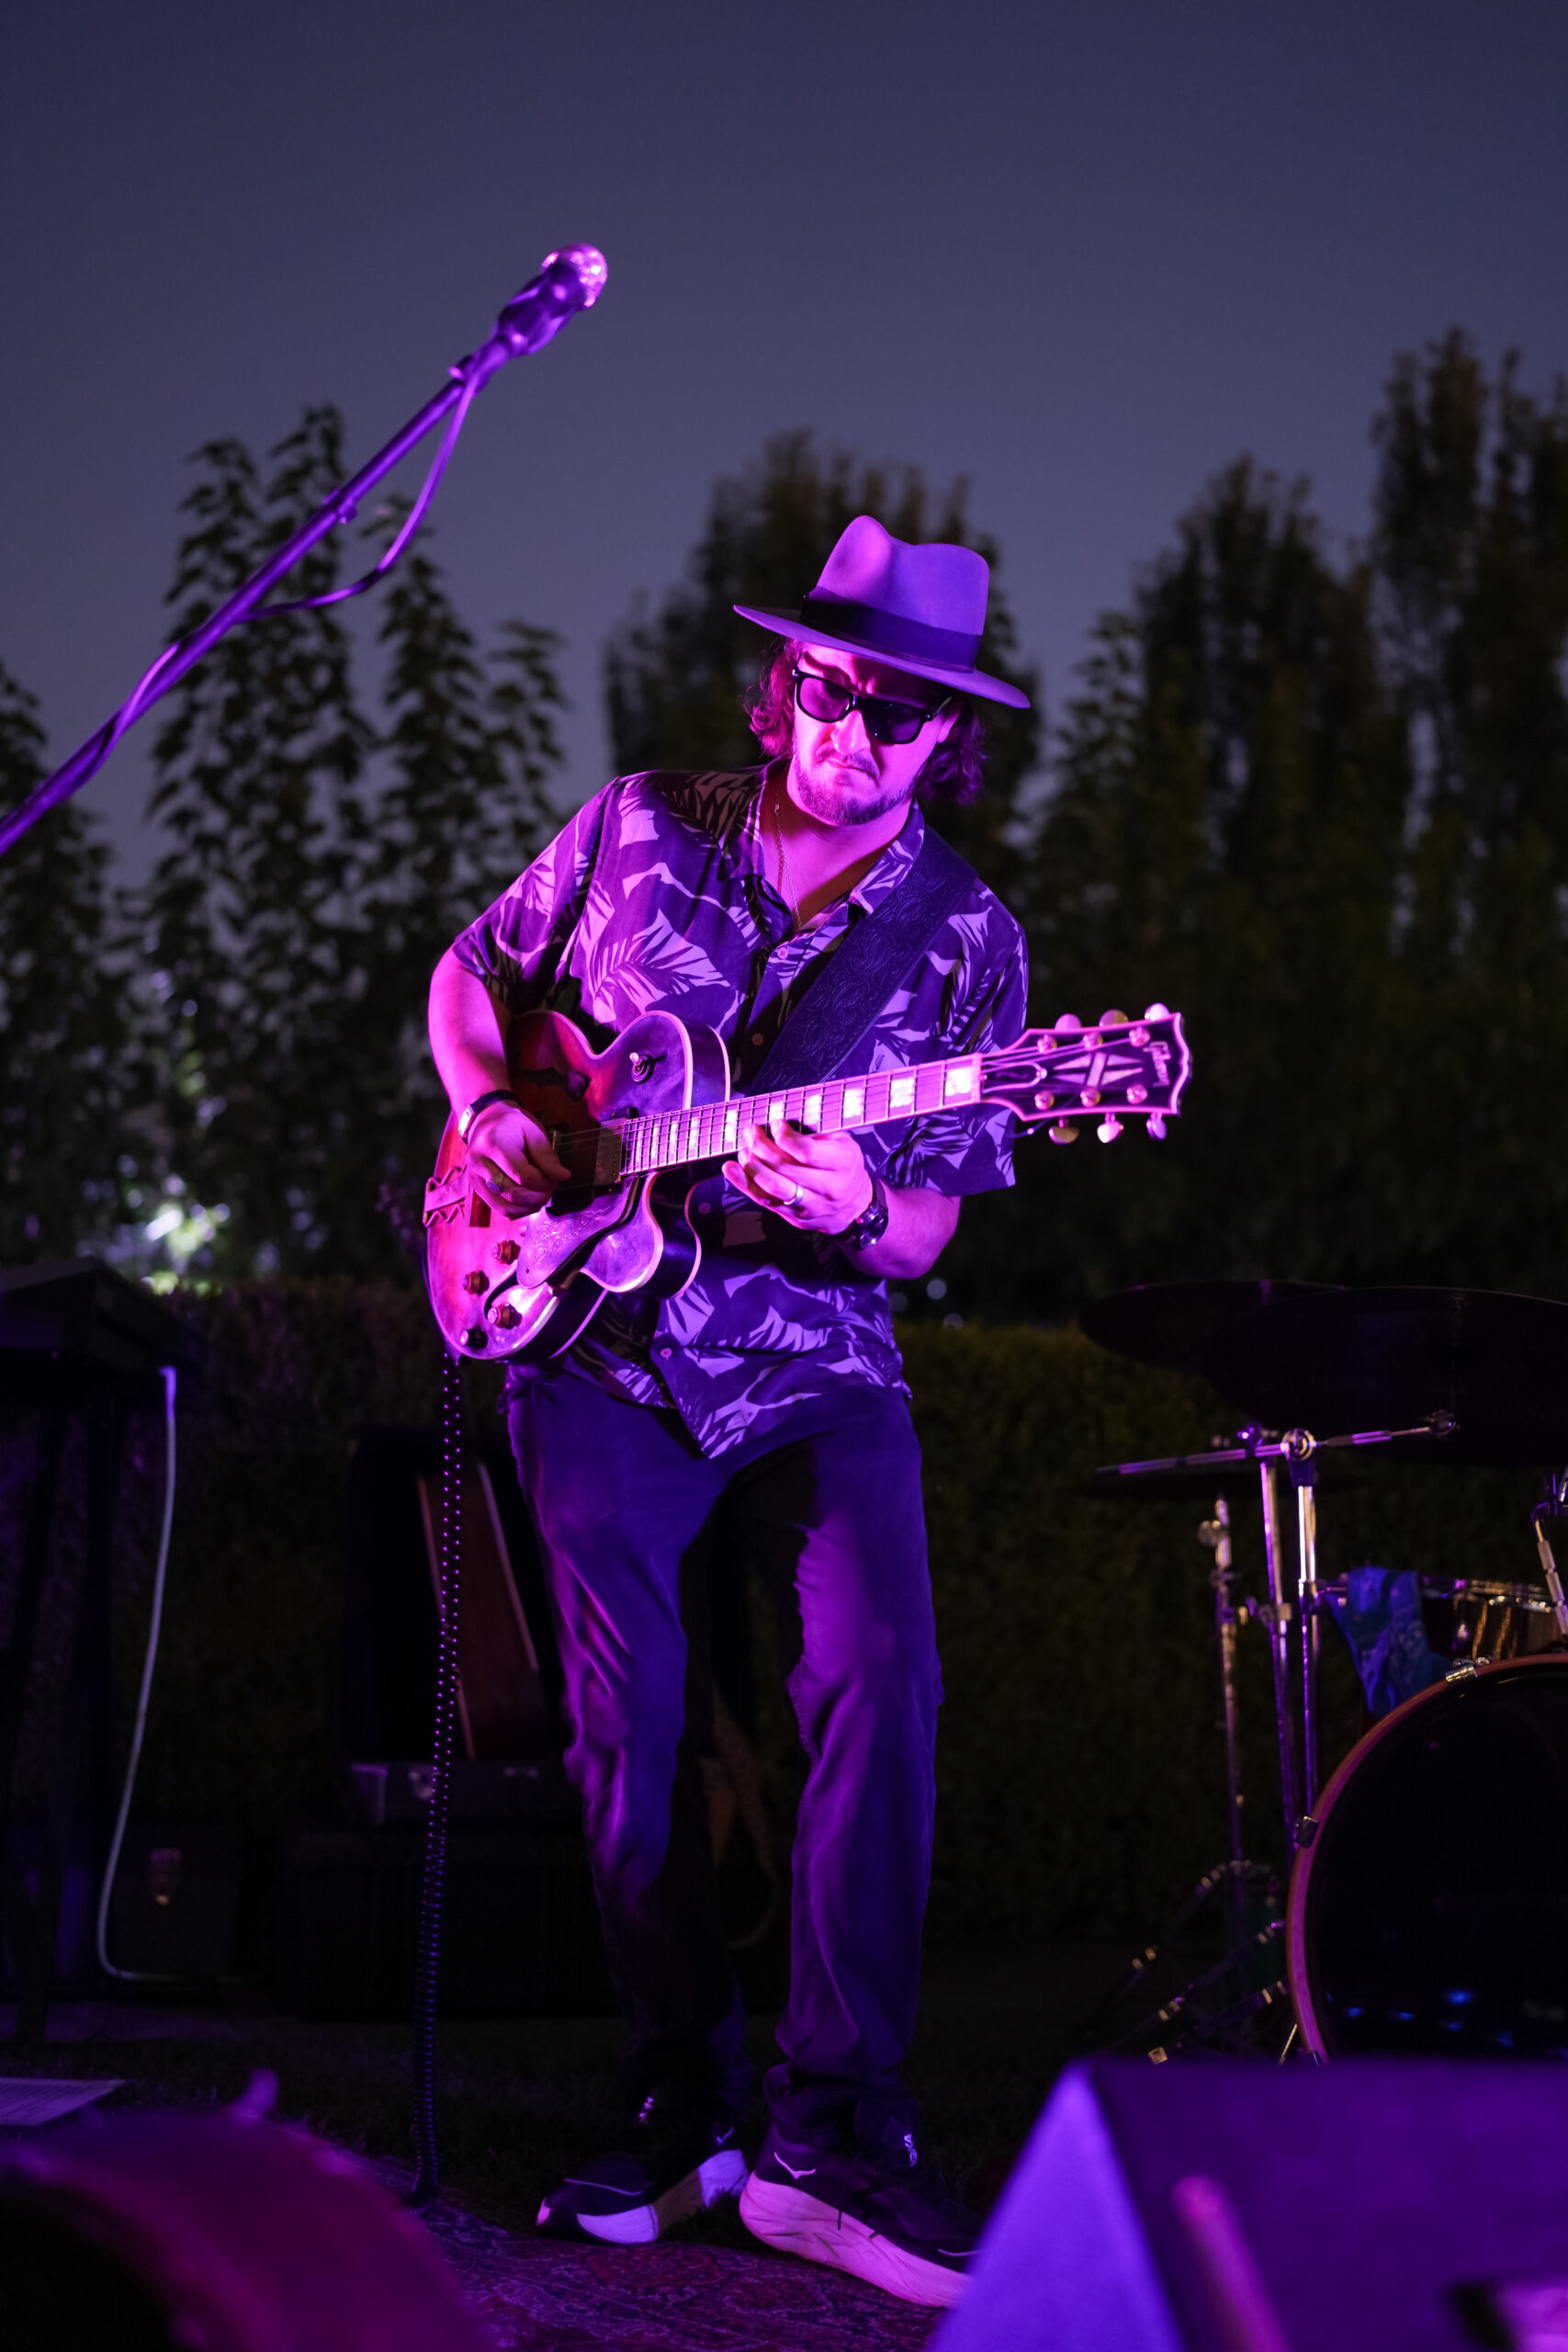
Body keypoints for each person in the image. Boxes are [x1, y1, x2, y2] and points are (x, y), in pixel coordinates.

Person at [427, 516, 1030, 2309]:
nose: (851, 728)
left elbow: (926, 1227)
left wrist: (860, 1202)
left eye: (898, 712)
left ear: (946, 737)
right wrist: (490, 1113)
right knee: (628, 1736)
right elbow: (470, 978)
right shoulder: (636, 827)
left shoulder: (965, 942)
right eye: (829, 687)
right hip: (596, 1344)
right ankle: (677, 2098)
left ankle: (828, 2132)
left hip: (816, 1362)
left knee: (879, 1678)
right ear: (785, 683)